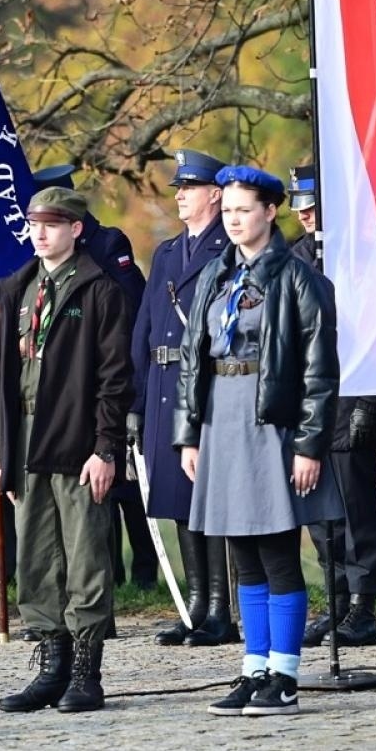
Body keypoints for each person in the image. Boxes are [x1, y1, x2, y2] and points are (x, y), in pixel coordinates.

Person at [175, 165, 341, 718]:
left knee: (275, 550)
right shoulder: (215, 278)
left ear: (272, 211)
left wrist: (310, 445)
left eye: (244, 210)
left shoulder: (298, 278)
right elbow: (191, 360)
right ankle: (254, 668)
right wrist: (188, 434)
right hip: (221, 418)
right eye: (227, 211)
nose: (234, 220)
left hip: (272, 422)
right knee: (240, 553)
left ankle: (286, 674)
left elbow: (320, 369)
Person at [0, 186, 133, 714]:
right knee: (35, 556)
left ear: (76, 229)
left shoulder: (99, 289)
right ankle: (51, 664)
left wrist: (106, 447)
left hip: (77, 442)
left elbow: (115, 378)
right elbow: (3, 377)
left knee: (85, 557)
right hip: (26, 439)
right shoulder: (19, 289)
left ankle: (85, 671)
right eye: (35, 223)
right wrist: (1, 447)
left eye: (53, 224)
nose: (41, 232)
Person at [32, 163, 156, 594]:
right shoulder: (40, 256)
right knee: (90, 484)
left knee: (126, 485)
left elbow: (130, 304)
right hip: (68, 384)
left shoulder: (106, 243)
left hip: (112, 369)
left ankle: (144, 572)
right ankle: (108, 573)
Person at [128, 148, 235, 646]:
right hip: (164, 385)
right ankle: (195, 604)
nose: (181, 196)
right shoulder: (169, 252)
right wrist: (136, 399)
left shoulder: (226, 249)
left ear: (215, 194)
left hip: (204, 387)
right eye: (179, 188)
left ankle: (220, 608)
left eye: (188, 188)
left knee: (207, 500)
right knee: (176, 500)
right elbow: (145, 326)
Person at [284, 163, 376, 648]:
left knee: (356, 508)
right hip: (307, 401)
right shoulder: (294, 258)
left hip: (353, 395)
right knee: (318, 511)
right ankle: (336, 599)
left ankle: (363, 605)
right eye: (299, 207)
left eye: (312, 206)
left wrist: (372, 400)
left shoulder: (362, 258)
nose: (305, 215)